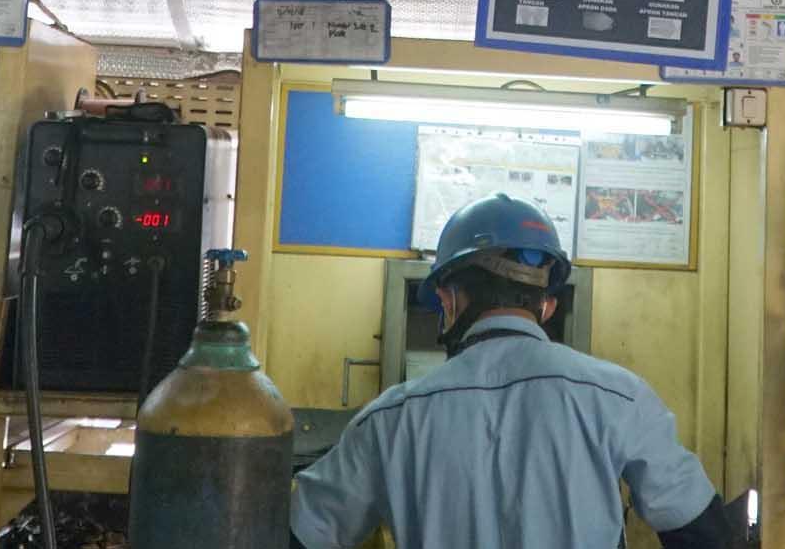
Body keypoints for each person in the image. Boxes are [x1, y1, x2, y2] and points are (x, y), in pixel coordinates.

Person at [289, 195, 734, 549]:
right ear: (547, 304)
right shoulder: (618, 397)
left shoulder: (389, 419)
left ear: (447, 300)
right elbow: (702, 530)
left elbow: (300, 533)